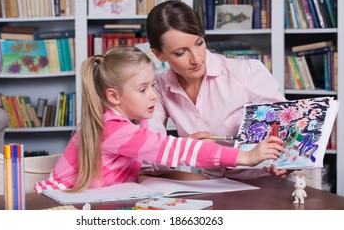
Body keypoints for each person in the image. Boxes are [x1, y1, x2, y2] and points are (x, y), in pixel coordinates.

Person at [34, 46, 285, 192]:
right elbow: (168, 148)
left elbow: (155, 153)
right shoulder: (112, 129)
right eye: (143, 89)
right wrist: (246, 157)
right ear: (114, 96)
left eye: (153, 86)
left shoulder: (129, 122)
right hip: (63, 205)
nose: (154, 96)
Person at [145, 0, 289, 178]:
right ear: (159, 54)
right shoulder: (157, 88)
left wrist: (285, 161)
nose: (196, 59)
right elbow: (147, 154)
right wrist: (183, 148)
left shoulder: (246, 73)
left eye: (199, 43)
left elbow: (288, 131)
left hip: (262, 182)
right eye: (181, 53)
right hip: (212, 188)